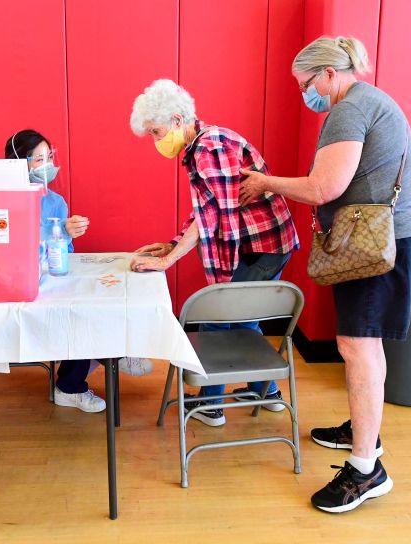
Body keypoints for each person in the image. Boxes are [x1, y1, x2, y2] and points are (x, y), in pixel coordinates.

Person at [239, 36, 411, 513]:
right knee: (364, 344)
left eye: (306, 84)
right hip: (389, 240)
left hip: (380, 245)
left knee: (357, 346)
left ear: (328, 73)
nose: (307, 94)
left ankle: (367, 469)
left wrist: (266, 183)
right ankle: (362, 430)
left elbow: (325, 187)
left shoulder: (348, 110)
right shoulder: (371, 102)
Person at [127, 80, 299, 427]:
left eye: (157, 132)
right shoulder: (201, 145)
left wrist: (168, 261)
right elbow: (207, 207)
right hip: (268, 242)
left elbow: (215, 213)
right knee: (244, 316)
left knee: (217, 316)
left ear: (177, 119)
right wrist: (174, 244)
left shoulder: (209, 147)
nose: (156, 141)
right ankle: (266, 393)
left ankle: (210, 404)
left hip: (261, 245)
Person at [6, 130, 153, 413]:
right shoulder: (3, 203)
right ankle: (75, 382)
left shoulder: (55, 202)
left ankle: (116, 351)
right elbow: (14, 248)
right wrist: (56, 231)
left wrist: (64, 236)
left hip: (53, 278)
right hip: (22, 285)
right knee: (81, 312)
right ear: (18, 164)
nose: (47, 164)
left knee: (104, 294)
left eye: (49, 156)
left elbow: (64, 254)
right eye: (39, 159)